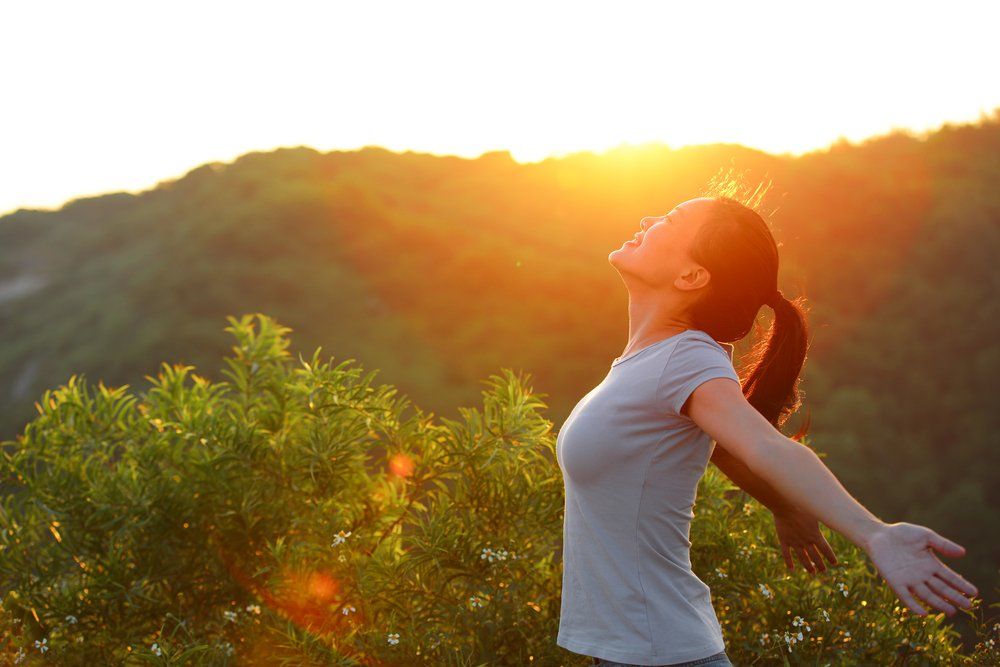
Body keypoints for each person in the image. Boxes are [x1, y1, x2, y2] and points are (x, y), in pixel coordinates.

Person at [554, 194, 980, 667]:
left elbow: (763, 445)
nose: (647, 219)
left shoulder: (687, 360)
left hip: (659, 651)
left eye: (668, 221)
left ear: (691, 277)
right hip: (634, 649)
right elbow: (722, 447)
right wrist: (782, 504)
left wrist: (874, 534)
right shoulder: (653, 362)